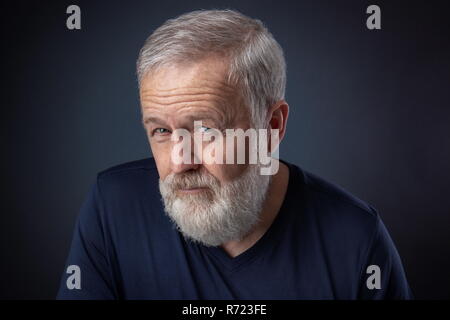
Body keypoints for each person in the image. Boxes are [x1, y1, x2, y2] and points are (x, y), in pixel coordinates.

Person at [57, 9, 412, 299]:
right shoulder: (113, 206)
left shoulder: (355, 238)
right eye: (162, 131)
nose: (180, 162)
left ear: (272, 125)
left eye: (206, 129)